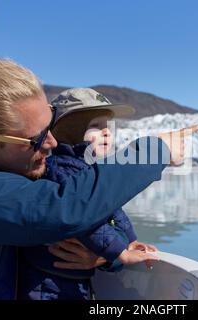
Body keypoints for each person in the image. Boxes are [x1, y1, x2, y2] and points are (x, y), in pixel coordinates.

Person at [0, 58, 198, 299]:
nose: (51, 143)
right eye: (36, 138)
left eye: (49, 127)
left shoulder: (1, 168)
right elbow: (60, 208)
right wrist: (153, 152)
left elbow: (46, 235)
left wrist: (105, 256)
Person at [20, 88, 157, 300]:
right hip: (46, 285)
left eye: (107, 126)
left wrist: (130, 240)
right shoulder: (60, 169)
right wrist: (121, 253)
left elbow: (111, 207)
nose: (106, 133)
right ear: (67, 131)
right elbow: (85, 218)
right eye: (95, 126)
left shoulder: (88, 169)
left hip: (69, 281)